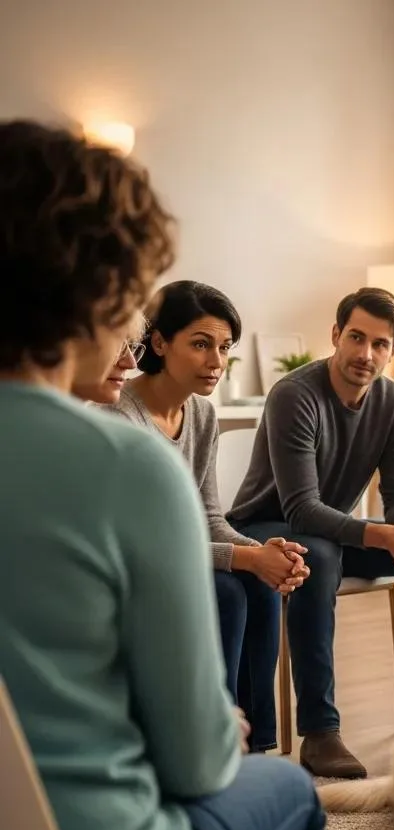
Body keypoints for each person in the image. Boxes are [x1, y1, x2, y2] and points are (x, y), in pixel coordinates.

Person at [0, 120, 323, 830]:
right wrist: (214, 726)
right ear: (101, 293)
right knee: (289, 788)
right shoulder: (117, 461)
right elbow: (193, 764)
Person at [228, 286, 394, 779]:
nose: (365, 354)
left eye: (380, 343)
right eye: (356, 337)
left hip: (331, 531)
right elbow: (301, 509)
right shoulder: (295, 394)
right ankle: (320, 731)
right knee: (322, 554)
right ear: (335, 335)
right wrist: (379, 534)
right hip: (264, 527)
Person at [110, 280, 309, 752]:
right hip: (139, 566)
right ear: (159, 342)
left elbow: (209, 517)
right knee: (228, 593)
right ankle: (209, 741)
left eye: (223, 347)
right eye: (200, 345)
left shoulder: (201, 415)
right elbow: (147, 543)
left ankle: (254, 745)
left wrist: (263, 554)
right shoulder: (120, 417)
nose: (216, 362)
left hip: (181, 556)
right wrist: (246, 560)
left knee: (258, 587)